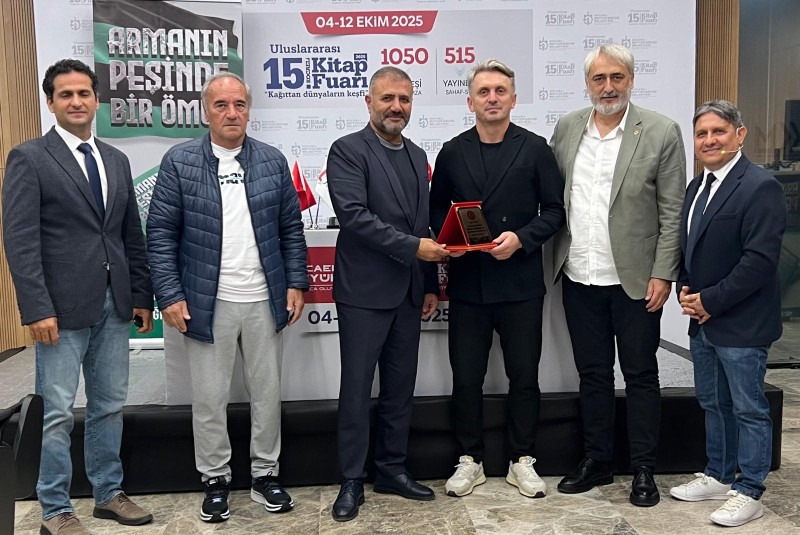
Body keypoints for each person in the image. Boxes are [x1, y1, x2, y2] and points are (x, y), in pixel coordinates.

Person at [146, 72, 308, 523]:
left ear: (249, 110)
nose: (232, 112)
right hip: (206, 302)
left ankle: (265, 475)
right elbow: (160, 234)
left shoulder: (272, 161)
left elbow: (291, 230)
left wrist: (296, 282)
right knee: (209, 399)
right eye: (221, 104)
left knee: (267, 396)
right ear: (206, 111)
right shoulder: (179, 162)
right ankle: (215, 479)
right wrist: (170, 294)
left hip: (264, 300)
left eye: (239, 104)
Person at [2, 59, 154, 535]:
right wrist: (36, 307)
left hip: (114, 304)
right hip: (59, 311)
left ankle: (108, 493)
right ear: (50, 103)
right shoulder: (29, 158)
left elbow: (130, 235)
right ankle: (55, 510)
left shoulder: (116, 159)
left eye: (84, 93)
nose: (76, 102)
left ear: (97, 100)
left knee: (109, 405)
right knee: (57, 414)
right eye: (65, 94)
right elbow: (20, 240)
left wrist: (141, 295)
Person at [550, 44, 685, 506]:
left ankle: (644, 469)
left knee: (641, 374)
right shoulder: (568, 127)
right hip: (579, 275)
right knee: (592, 375)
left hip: (637, 282)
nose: (608, 87)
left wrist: (664, 273)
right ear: (587, 84)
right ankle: (597, 461)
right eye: (599, 78)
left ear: (631, 80)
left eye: (617, 77)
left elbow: (673, 211)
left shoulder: (661, 130)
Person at [429, 59, 565, 499]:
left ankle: (522, 459)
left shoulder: (535, 148)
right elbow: (436, 211)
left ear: (513, 99)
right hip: (469, 283)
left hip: (520, 283)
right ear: (470, 101)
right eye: (484, 92)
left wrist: (522, 239)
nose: (492, 98)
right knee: (466, 378)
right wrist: (450, 239)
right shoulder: (452, 151)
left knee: (524, 376)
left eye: (500, 91)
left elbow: (555, 211)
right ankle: (470, 459)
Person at [326, 66, 449, 522]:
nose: (396, 107)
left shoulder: (417, 154)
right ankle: (351, 479)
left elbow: (422, 225)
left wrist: (430, 282)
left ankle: (392, 469)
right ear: (369, 102)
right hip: (364, 292)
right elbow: (354, 216)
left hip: (409, 293)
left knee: (400, 388)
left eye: (404, 99)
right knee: (357, 390)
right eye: (387, 98)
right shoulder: (347, 150)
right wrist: (415, 249)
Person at [669, 100, 786, 527]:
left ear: (740, 134)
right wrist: (686, 292)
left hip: (742, 322)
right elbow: (691, 247)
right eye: (701, 134)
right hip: (703, 320)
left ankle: (749, 489)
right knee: (713, 402)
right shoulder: (696, 187)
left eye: (718, 131)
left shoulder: (760, 186)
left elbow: (758, 262)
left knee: (748, 408)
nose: (709, 140)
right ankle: (719, 475)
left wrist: (710, 301)